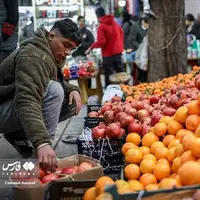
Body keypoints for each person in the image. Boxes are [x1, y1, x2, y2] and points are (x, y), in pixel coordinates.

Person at [0, 18, 82, 172]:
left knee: (70, 101)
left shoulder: (48, 53)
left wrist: (72, 89)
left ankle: (19, 135)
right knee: (55, 90)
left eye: (72, 49)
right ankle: (40, 156)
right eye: (66, 45)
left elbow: (43, 82)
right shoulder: (33, 56)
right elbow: (27, 99)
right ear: (51, 36)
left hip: (11, 107)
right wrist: (42, 143)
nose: (67, 53)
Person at [86, 7, 125, 87]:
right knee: (121, 75)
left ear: (97, 15)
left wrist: (91, 47)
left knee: (109, 76)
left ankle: (109, 96)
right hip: (118, 53)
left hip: (108, 55)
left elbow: (101, 42)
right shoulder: (115, 23)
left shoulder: (101, 26)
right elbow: (122, 34)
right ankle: (125, 93)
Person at [128, 17, 149, 83]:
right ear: (142, 21)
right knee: (140, 72)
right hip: (138, 52)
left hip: (147, 52)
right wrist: (140, 47)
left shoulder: (149, 26)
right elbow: (131, 39)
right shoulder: (135, 27)